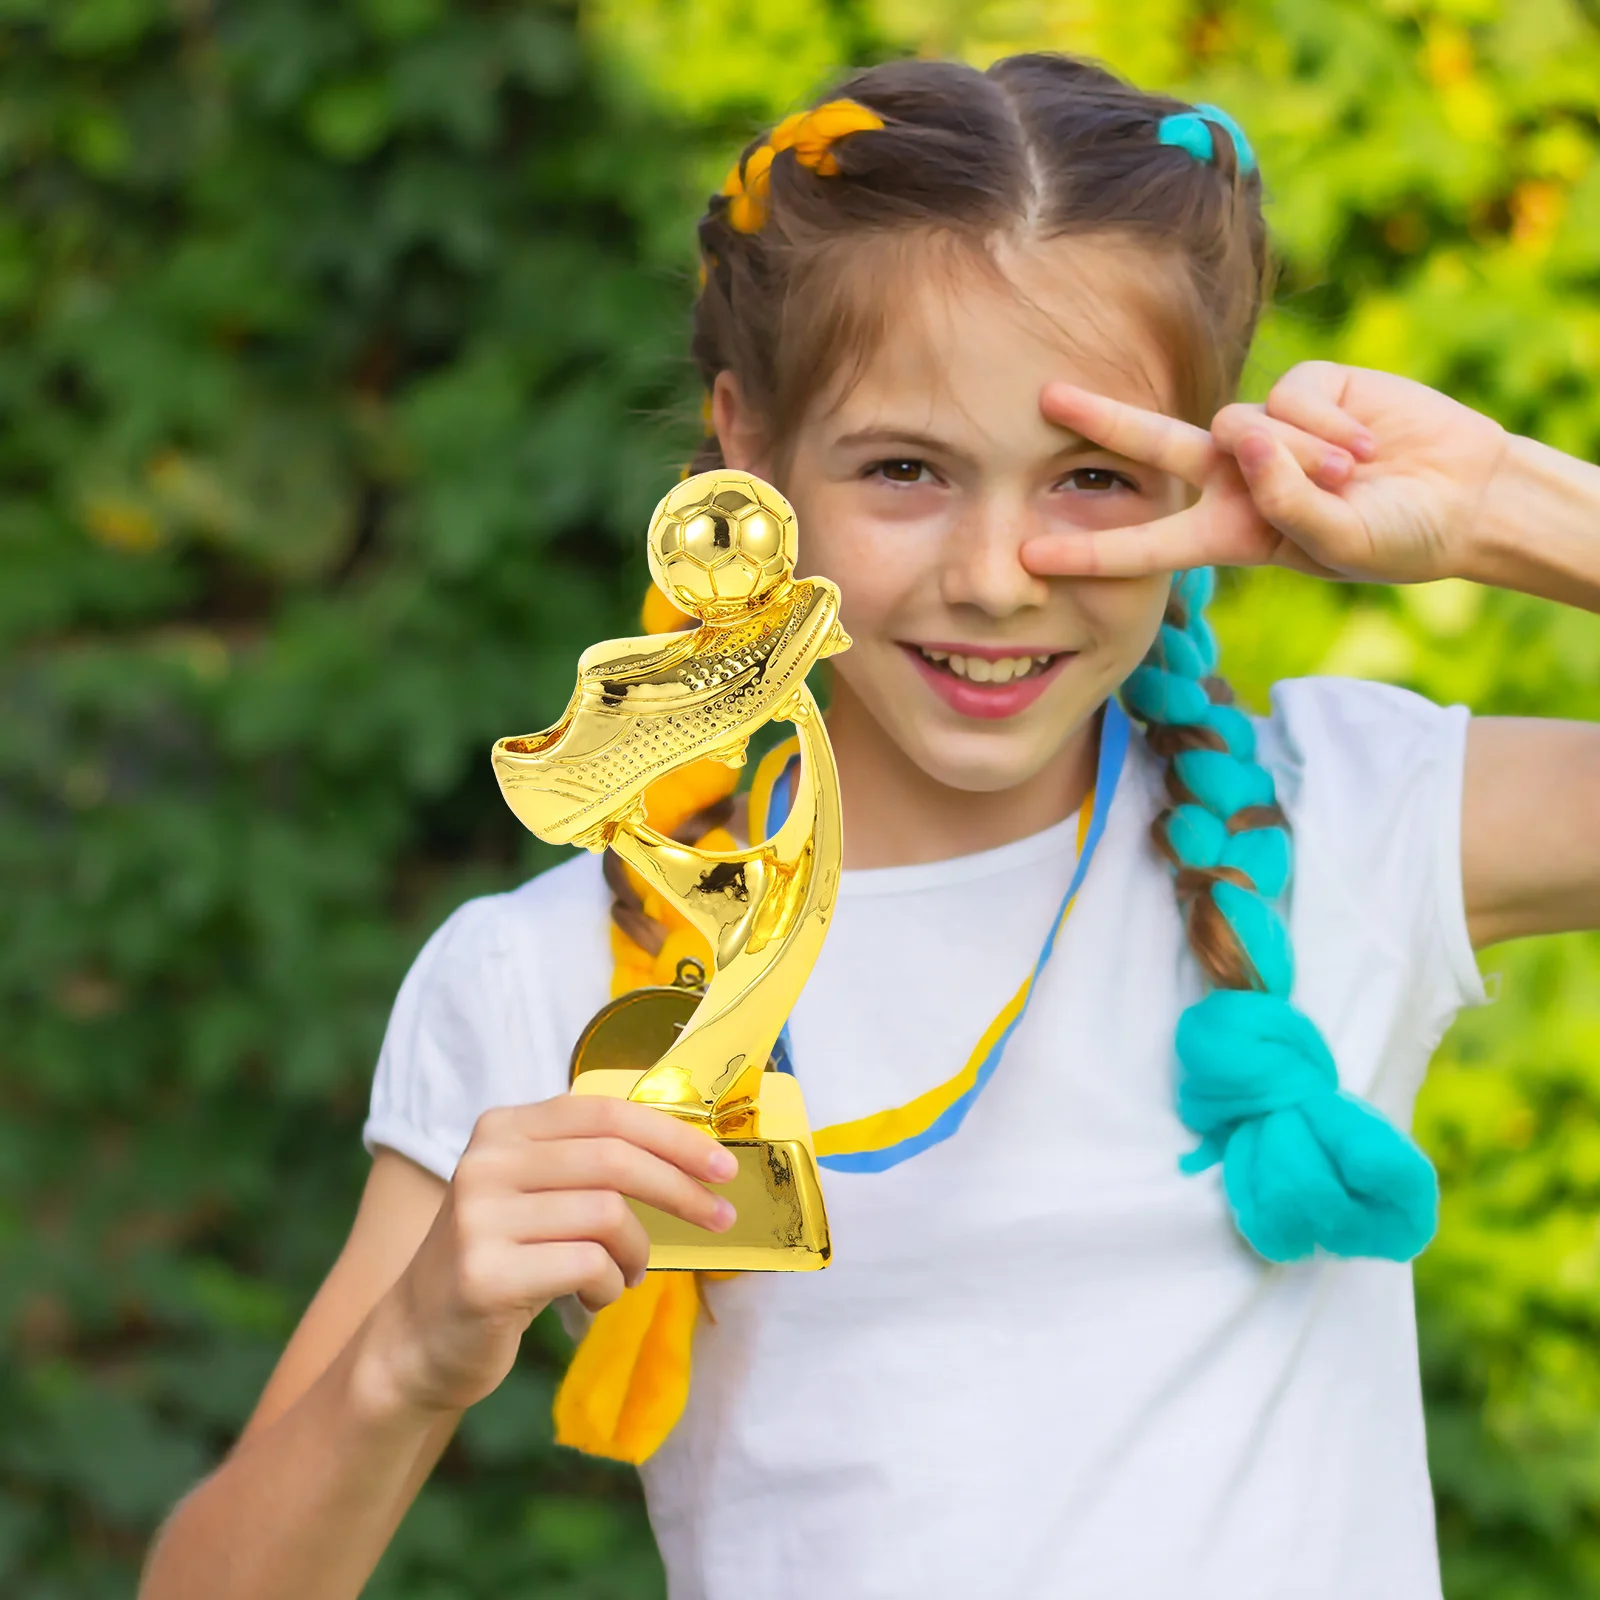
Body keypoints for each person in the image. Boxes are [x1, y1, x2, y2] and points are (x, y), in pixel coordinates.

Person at [139, 53, 1600, 1600]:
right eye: (906, 468)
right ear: (750, 455)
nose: (994, 573)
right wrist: (412, 1355)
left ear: (1210, 467)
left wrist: (1509, 504)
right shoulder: (550, 976)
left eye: (1095, 477)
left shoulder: (1359, 825)